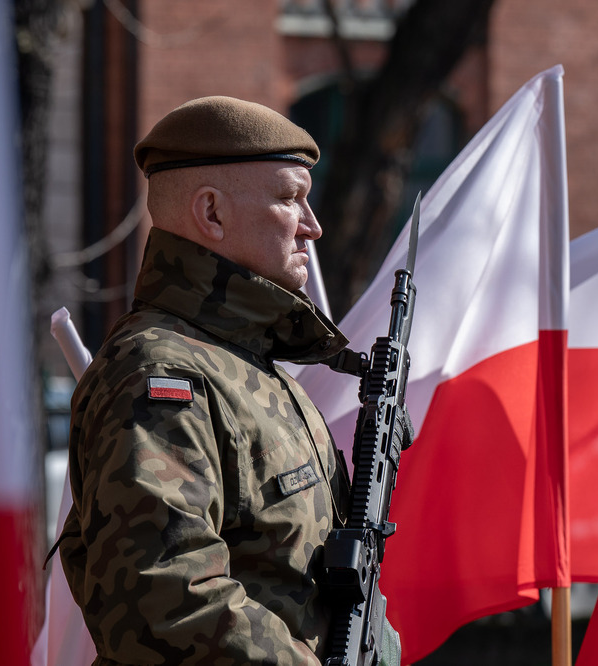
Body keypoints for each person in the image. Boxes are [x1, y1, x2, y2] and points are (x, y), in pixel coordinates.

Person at [57, 96, 366, 665]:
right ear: (212, 214)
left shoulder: (252, 369)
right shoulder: (160, 372)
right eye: (289, 199)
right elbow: (164, 596)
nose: (313, 227)